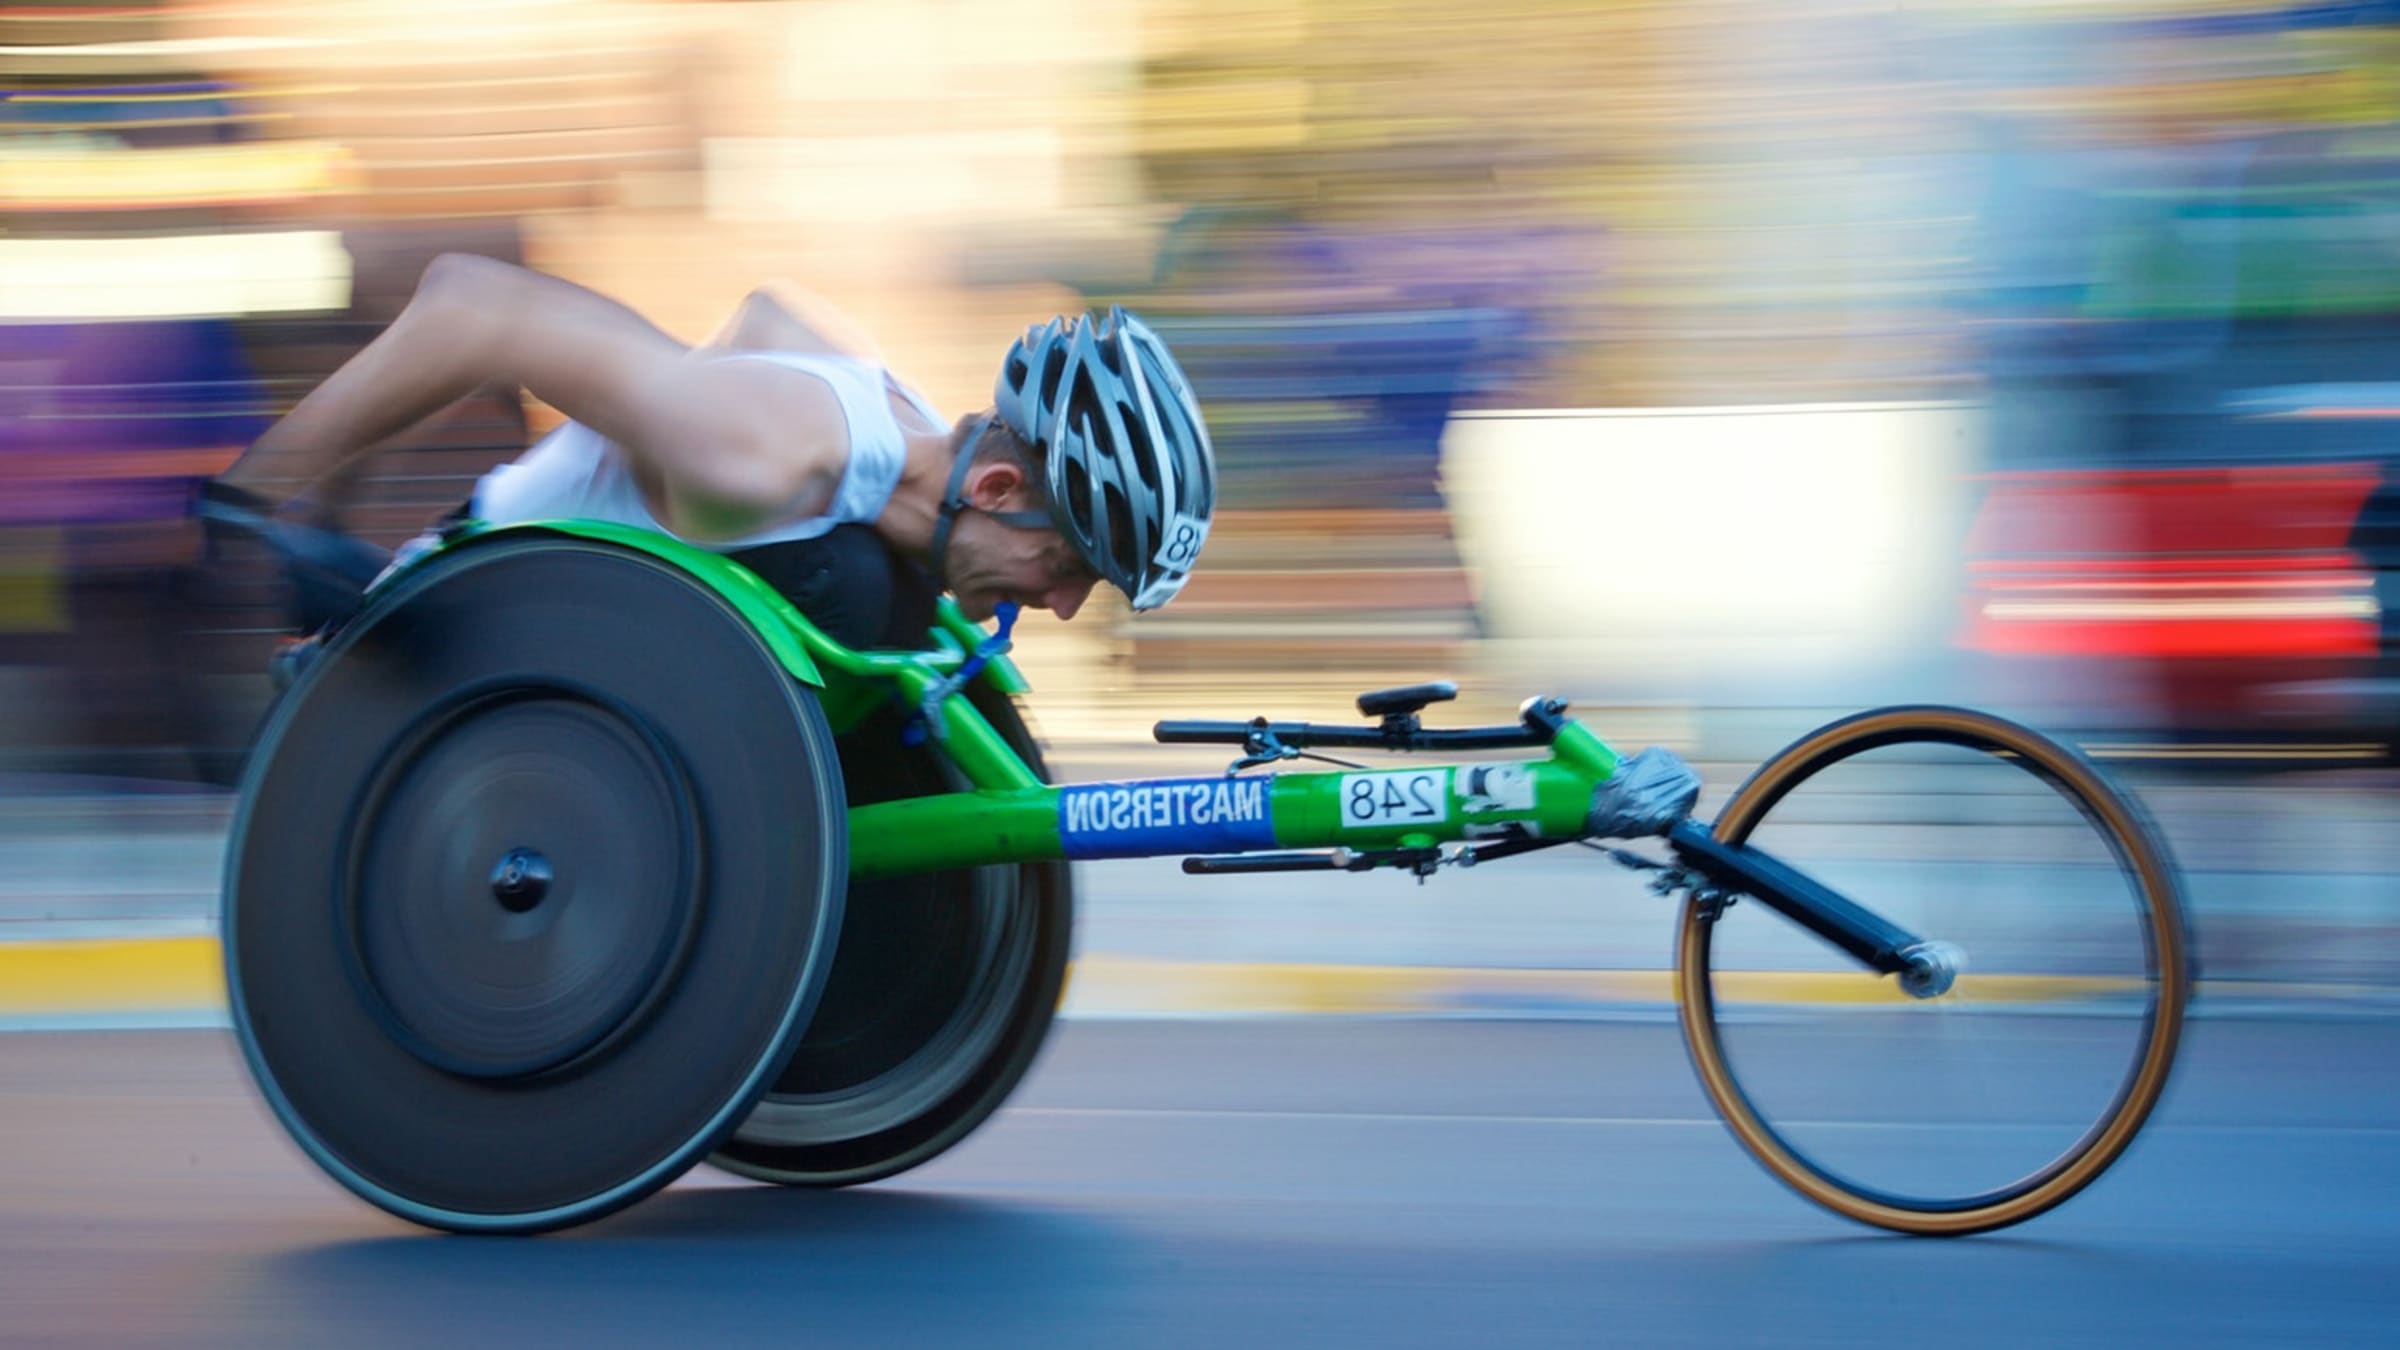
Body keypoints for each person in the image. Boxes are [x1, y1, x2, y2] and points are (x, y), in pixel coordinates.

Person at [197, 254, 1217, 652]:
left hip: (596, 645)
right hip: (458, 639)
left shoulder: (889, 416)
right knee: (858, 588)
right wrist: (258, 506)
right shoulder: (759, 456)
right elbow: (475, 309)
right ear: (992, 487)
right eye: (1069, 565)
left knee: (877, 595)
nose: (1062, 605)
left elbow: (770, 312)